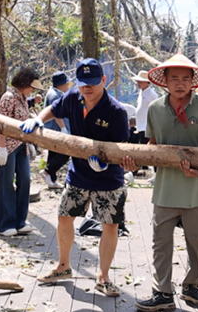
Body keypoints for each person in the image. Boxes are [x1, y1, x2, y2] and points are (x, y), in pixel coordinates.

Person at [20, 59, 129, 295]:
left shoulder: (116, 111)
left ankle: (103, 276)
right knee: (64, 217)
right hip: (78, 175)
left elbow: (122, 148)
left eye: (91, 83)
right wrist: (39, 118)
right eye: (82, 84)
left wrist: (107, 161)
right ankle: (63, 266)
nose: (87, 88)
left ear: (103, 80)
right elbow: (54, 108)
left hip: (108, 180)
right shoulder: (72, 97)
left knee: (110, 225)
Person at [122, 53, 198, 312]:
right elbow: (152, 146)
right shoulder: (155, 109)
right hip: (165, 189)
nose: (180, 83)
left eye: (185, 79)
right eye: (174, 78)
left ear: (193, 82)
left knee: (197, 244)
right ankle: (162, 292)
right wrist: (137, 161)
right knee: (161, 243)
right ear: (164, 81)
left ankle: (191, 287)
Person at [0, 66, 45, 237]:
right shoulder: (8, 98)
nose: (32, 90)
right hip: (6, 146)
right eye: (32, 86)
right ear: (24, 83)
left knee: (25, 181)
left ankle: (20, 221)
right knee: (6, 184)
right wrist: (1, 147)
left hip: (21, 147)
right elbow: (1, 123)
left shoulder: (22, 98)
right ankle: (4, 224)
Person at [41, 71, 72, 189]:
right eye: (66, 83)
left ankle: (52, 179)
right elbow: (57, 114)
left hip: (54, 129)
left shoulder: (55, 93)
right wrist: (63, 128)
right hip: (57, 129)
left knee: (53, 153)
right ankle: (47, 172)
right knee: (64, 153)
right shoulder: (55, 95)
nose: (68, 85)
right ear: (60, 84)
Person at [132, 70, 158, 145]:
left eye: (140, 81)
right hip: (140, 127)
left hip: (146, 128)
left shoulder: (152, 94)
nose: (138, 83)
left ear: (147, 82)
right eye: (138, 81)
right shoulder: (141, 92)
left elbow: (155, 111)